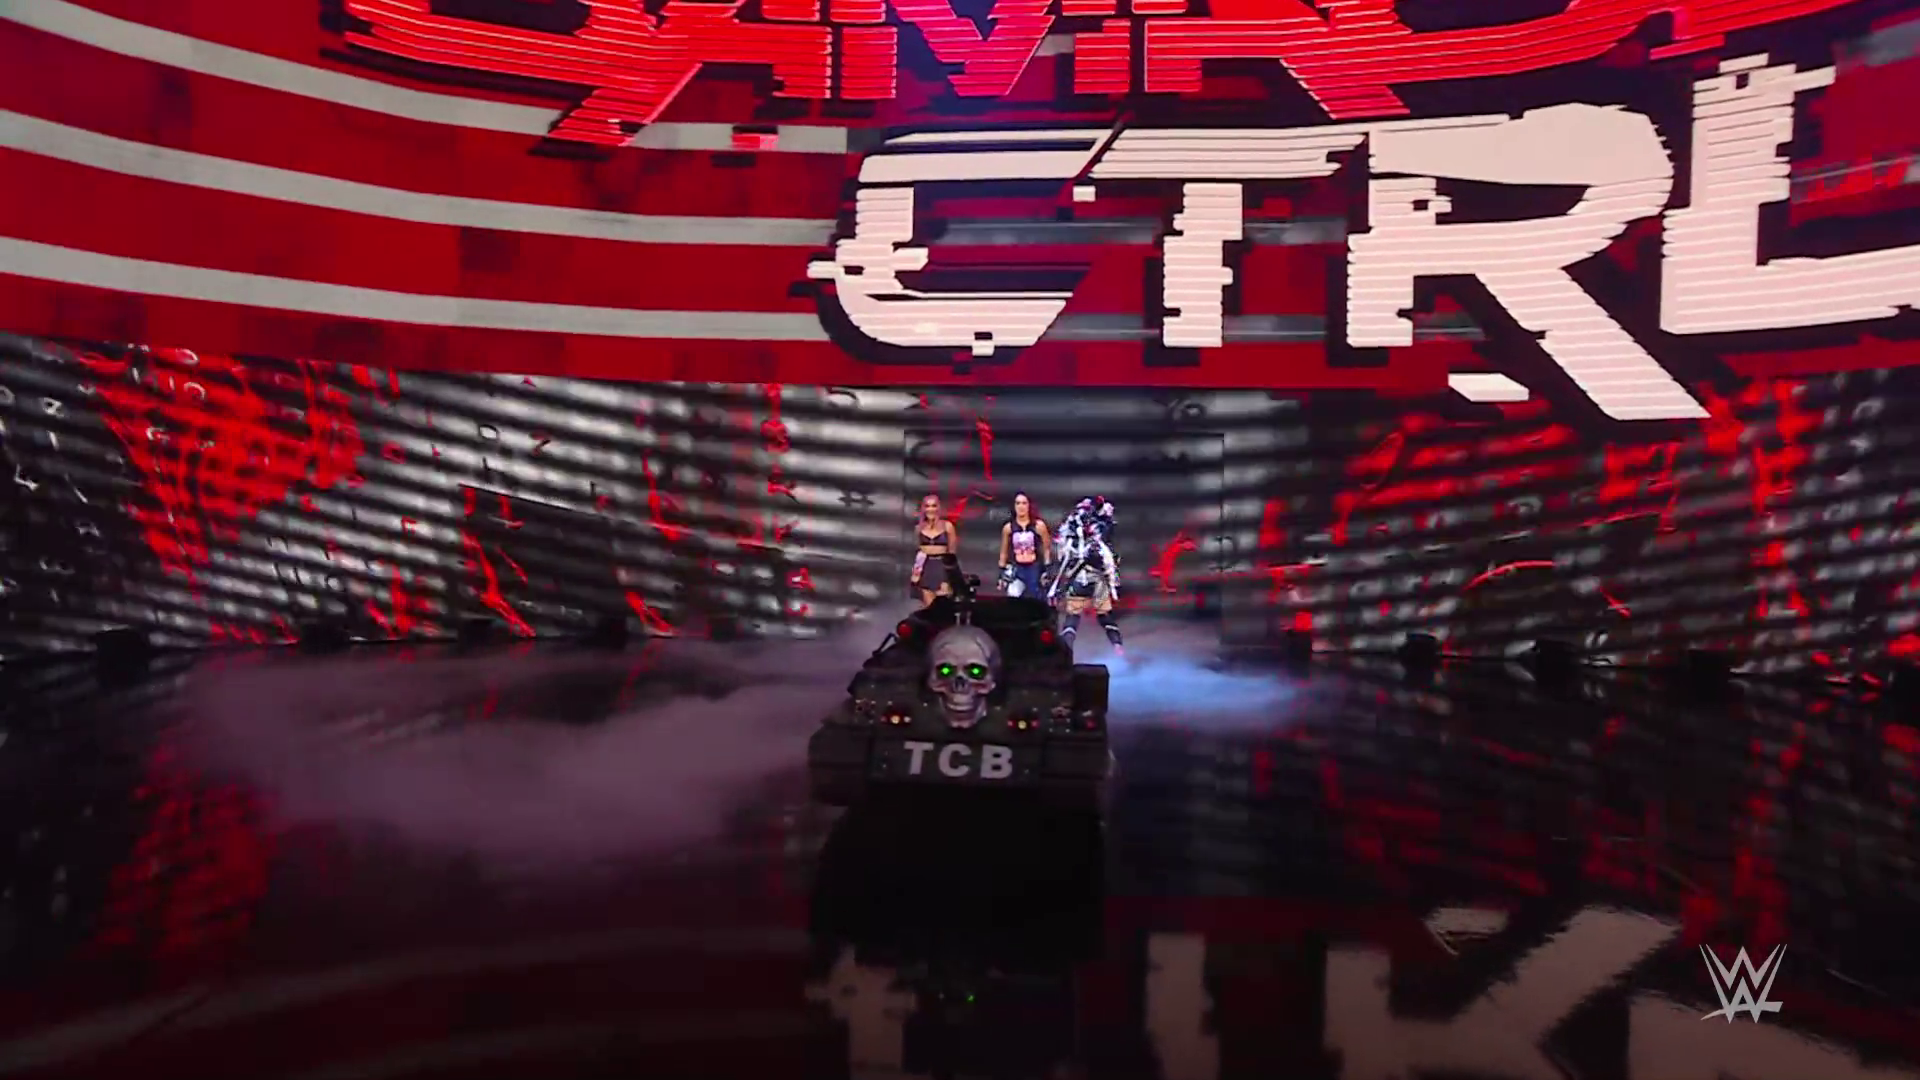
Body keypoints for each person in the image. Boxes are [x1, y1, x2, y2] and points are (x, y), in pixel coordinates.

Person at [1049, 496, 1123, 654]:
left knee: (1100, 616)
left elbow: (1109, 561)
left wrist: (1114, 586)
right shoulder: (1073, 539)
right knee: (1074, 618)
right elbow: (1065, 560)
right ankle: (1067, 652)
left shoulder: (1098, 539)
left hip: (1095, 581)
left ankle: (1118, 649)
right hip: (1082, 580)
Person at [997, 492, 1052, 599]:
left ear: (1029, 505)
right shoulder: (1008, 528)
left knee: (1035, 598)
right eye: (1018, 503)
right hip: (1017, 568)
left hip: (1034, 568)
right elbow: (1003, 552)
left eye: (1024, 503)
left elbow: (1047, 549)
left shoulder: (1039, 526)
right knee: (1013, 596)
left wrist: (1047, 569)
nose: (1021, 506)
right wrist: (1001, 572)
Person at [910, 493, 960, 607]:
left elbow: (952, 554)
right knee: (929, 608)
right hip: (926, 568)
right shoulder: (918, 528)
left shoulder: (948, 526)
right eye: (927, 506)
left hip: (942, 567)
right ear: (923, 509)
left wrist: (948, 578)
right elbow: (918, 553)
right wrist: (916, 573)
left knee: (942, 608)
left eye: (934, 506)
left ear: (938, 508)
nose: (930, 509)